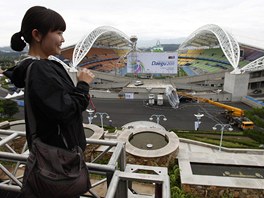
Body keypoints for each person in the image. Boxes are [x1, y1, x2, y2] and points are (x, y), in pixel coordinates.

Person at [3, 6, 94, 197]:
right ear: (37, 35)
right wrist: (83, 85)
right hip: (57, 162)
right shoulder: (39, 69)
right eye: (59, 32)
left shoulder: (38, 67)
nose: (63, 39)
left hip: (54, 160)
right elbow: (65, 110)